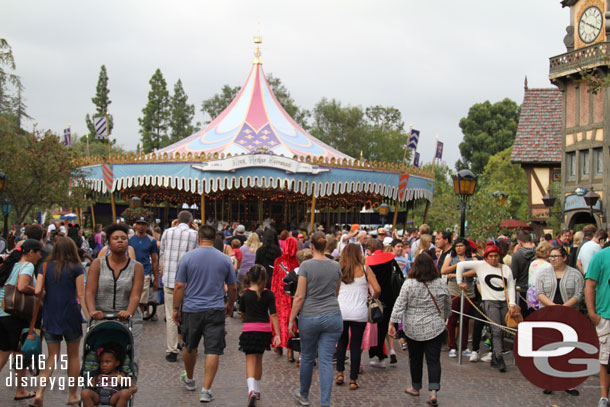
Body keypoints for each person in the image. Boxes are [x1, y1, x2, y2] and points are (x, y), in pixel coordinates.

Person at [173, 225, 237, 403]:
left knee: (189, 345)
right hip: (215, 308)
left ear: (199, 238)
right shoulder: (225, 259)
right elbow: (232, 286)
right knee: (213, 349)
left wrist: (175, 308)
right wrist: (230, 304)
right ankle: (207, 390)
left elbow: (179, 286)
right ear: (216, 239)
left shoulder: (187, 258)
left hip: (192, 309)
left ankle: (191, 379)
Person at [31, 237, 89, 407]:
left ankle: (40, 393)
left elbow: (37, 291)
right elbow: (81, 294)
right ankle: (72, 395)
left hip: (51, 315)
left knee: (52, 357)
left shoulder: (44, 266)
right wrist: (88, 315)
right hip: (71, 315)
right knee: (73, 356)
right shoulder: (77, 268)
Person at [288, 232, 343, 407]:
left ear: (311, 246)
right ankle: (325, 402)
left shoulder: (306, 266)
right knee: (326, 360)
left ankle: (304, 394)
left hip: (310, 315)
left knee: (307, 357)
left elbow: (299, 296)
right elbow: (336, 292)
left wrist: (290, 319)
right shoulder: (335, 266)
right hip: (332, 314)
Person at [389, 253, 450, 407]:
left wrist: (392, 322)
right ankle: (434, 391)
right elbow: (447, 303)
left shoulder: (409, 284)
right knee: (433, 360)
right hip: (435, 326)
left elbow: (400, 303)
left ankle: (415, 387)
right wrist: (445, 316)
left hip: (413, 327)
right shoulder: (440, 283)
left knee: (415, 359)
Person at [85, 224, 144, 362]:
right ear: (108, 243)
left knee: (130, 358)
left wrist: (128, 311)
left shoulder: (136, 267)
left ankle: (130, 382)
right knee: (95, 354)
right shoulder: (97, 264)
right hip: (101, 317)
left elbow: (136, 295)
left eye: (123, 238)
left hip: (128, 319)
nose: (120, 241)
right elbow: (89, 292)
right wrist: (92, 311)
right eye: (115, 238)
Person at [456, 242, 517, 372]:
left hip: (504, 302)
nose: (493, 258)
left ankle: (496, 354)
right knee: (496, 329)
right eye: (491, 256)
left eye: (496, 256)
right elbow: (460, 265)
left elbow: (511, 286)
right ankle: (499, 357)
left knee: (502, 328)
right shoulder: (481, 265)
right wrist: (459, 282)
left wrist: (512, 304)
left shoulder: (505, 269)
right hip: (490, 301)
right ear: (486, 257)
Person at [535, 246, 584, 396]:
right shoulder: (542, 273)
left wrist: (564, 307)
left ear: (564, 257)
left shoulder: (575, 274)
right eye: (551, 256)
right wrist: (553, 307)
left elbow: (579, 294)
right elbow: (539, 292)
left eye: (556, 256)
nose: (553, 259)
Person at [0, 239, 43, 401]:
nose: (40, 256)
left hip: (2, 312)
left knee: (4, 352)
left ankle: (21, 389)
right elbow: (22, 286)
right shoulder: (28, 265)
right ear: (31, 252)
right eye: (39, 253)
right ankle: (20, 389)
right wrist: (39, 291)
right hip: (15, 315)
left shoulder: (11, 264)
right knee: (19, 354)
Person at [335, 243, 380, 390]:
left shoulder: (338, 269)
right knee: (355, 345)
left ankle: (340, 373)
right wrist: (372, 298)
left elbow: (334, 291)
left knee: (341, 343)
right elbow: (378, 289)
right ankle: (353, 379)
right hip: (359, 312)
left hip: (341, 311)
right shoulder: (365, 269)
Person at [238, 265, 281, 406]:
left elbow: (242, 313)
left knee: (250, 361)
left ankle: (251, 390)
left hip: (249, 330)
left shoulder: (245, 294)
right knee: (259, 360)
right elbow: (273, 315)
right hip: (264, 331)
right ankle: (257, 389)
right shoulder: (269, 294)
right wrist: (278, 334)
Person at [159, 210, 198, 362]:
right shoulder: (194, 235)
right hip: (189, 282)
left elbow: (162, 253)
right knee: (188, 313)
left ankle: (172, 349)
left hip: (169, 279)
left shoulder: (167, 232)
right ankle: (188, 344)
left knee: (170, 315)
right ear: (191, 221)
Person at [441, 237, 475, 359]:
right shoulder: (451, 258)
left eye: (461, 246)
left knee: (465, 319)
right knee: (452, 319)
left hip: (468, 289)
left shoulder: (472, 258)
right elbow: (444, 270)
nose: (459, 248)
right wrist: (457, 267)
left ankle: (464, 346)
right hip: (454, 288)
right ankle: (452, 345)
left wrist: (458, 273)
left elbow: (474, 271)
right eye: (457, 246)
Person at [585, 245, 610, 407]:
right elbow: (590, 285)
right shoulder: (601, 256)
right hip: (606, 315)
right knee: (605, 359)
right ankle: (604, 397)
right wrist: (592, 313)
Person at [270, 236, 300, 362]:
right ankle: (290, 351)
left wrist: (273, 295)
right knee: (292, 322)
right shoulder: (298, 262)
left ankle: (279, 345)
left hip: (280, 296)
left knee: (280, 321)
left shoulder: (278, 261)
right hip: (293, 296)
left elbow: (274, 280)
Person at [80, 342, 137, 407]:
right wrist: (92, 384)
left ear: (117, 363)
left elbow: (134, 387)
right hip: (98, 396)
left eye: (107, 362)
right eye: (101, 362)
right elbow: (90, 386)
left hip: (113, 398)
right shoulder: (98, 375)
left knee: (125, 393)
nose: (103, 365)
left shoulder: (121, 375)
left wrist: (131, 390)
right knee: (85, 393)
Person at [129, 217, 159, 318]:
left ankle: (139, 318)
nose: (141, 226)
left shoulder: (151, 241)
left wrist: (156, 279)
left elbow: (154, 260)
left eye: (143, 224)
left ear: (147, 226)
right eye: (139, 224)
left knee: (142, 300)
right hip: (130, 271)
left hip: (145, 272)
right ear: (136, 225)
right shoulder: (130, 239)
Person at [511, 230, 537, 317]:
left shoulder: (516, 255)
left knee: (523, 317)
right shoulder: (538, 253)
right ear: (531, 240)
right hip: (535, 289)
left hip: (521, 289)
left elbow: (513, 275)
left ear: (520, 242)